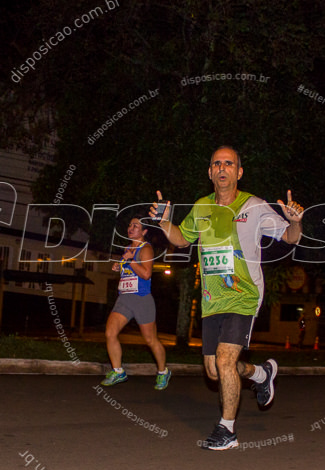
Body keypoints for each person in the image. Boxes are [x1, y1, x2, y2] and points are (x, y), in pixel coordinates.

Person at [151, 146, 303, 450]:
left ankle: (227, 430)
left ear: (239, 172)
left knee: (224, 360)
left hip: (244, 294)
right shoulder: (201, 206)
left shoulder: (255, 206)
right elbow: (182, 238)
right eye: (217, 164)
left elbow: (290, 237)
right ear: (210, 172)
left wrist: (295, 220)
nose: (222, 168)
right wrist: (165, 223)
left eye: (229, 164)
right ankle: (261, 374)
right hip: (212, 298)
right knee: (214, 369)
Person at [100, 214, 171, 390]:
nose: (131, 228)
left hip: (141, 299)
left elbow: (146, 274)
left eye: (136, 226)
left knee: (150, 340)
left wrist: (130, 260)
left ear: (144, 231)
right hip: (124, 298)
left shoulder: (145, 249)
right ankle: (118, 371)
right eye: (130, 225)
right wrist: (120, 265)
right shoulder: (127, 249)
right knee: (110, 333)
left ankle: (163, 372)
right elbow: (130, 270)